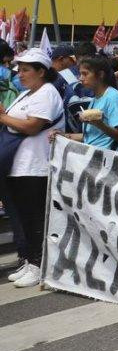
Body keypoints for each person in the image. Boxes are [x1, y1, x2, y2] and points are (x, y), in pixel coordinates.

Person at [1, 48, 64, 288]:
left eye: (26, 69)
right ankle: (29, 260)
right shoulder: (26, 94)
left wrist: (3, 118)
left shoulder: (47, 93)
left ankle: (40, 265)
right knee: (24, 218)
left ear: (41, 72)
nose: (20, 74)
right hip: (18, 166)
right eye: (19, 69)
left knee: (35, 218)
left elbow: (32, 127)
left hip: (36, 167)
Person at [63, 56, 118, 152]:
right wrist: (64, 136)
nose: (81, 78)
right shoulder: (95, 99)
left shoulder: (113, 97)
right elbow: (92, 137)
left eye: (85, 74)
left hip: (109, 160)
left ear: (100, 75)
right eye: (80, 74)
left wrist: (99, 124)